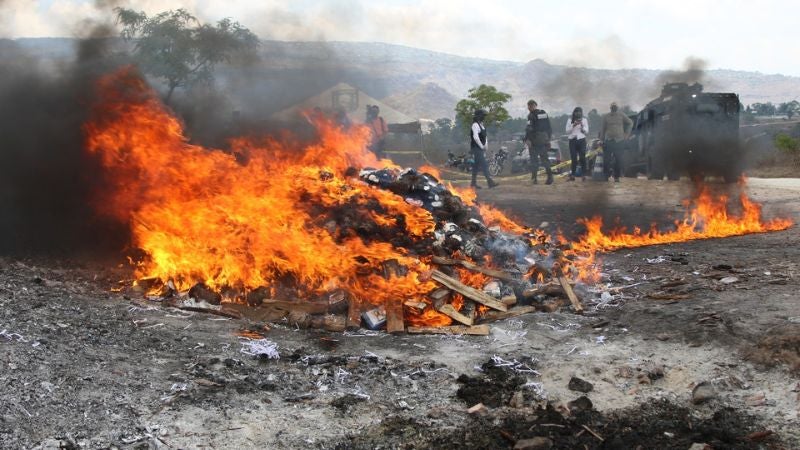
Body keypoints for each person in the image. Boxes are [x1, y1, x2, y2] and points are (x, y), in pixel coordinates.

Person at [600, 102, 633, 182]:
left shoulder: (622, 115)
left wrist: (627, 134)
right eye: (612, 107)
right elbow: (603, 129)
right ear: (610, 108)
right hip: (608, 140)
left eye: (615, 107)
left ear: (617, 108)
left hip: (619, 141)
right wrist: (601, 140)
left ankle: (616, 177)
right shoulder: (606, 116)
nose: (614, 108)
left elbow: (630, 123)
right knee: (606, 160)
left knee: (618, 160)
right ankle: (605, 175)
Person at [525, 100, 553, 185]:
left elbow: (529, 129)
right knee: (543, 160)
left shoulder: (531, 115)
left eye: (530, 106)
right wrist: (548, 138)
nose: (529, 107)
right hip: (542, 140)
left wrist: (527, 139)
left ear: (534, 106)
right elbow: (548, 127)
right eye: (529, 106)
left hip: (535, 140)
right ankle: (548, 178)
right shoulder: (543, 113)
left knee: (536, 160)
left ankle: (535, 179)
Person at [469, 109, 498, 189]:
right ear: (478, 116)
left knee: (476, 166)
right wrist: (481, 146)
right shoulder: (475, 125)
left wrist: (486, 146)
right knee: (484, 165)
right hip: (476, 148)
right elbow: (475, 137)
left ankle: (473, 183)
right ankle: (490, 182)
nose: (484, 117)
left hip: (480, 149)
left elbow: (485, 137)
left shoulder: (482, 125)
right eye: (483, 115)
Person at [566, 106, 589, 181]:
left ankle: (583, 175)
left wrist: (582, 127)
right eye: (576, 112)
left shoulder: (584, 120)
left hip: (582, 140)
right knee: (574, 158)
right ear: (574, 113)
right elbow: (567, 131)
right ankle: (573, 174)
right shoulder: (570, 120)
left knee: (582, 157)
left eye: (580, 112)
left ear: (581, 113)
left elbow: (587, 131)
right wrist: (574, 125)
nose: (578, 113)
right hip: (572, 140)